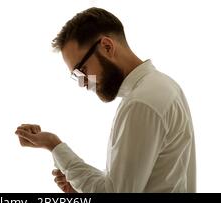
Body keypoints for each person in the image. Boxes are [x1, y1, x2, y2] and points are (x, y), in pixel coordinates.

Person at [15, 7, 196, 193]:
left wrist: (53, 145)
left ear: (107, 46)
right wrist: (79, 185)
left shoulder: (141, 103)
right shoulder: (163, 86)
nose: (82, 83)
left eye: (81, 71)